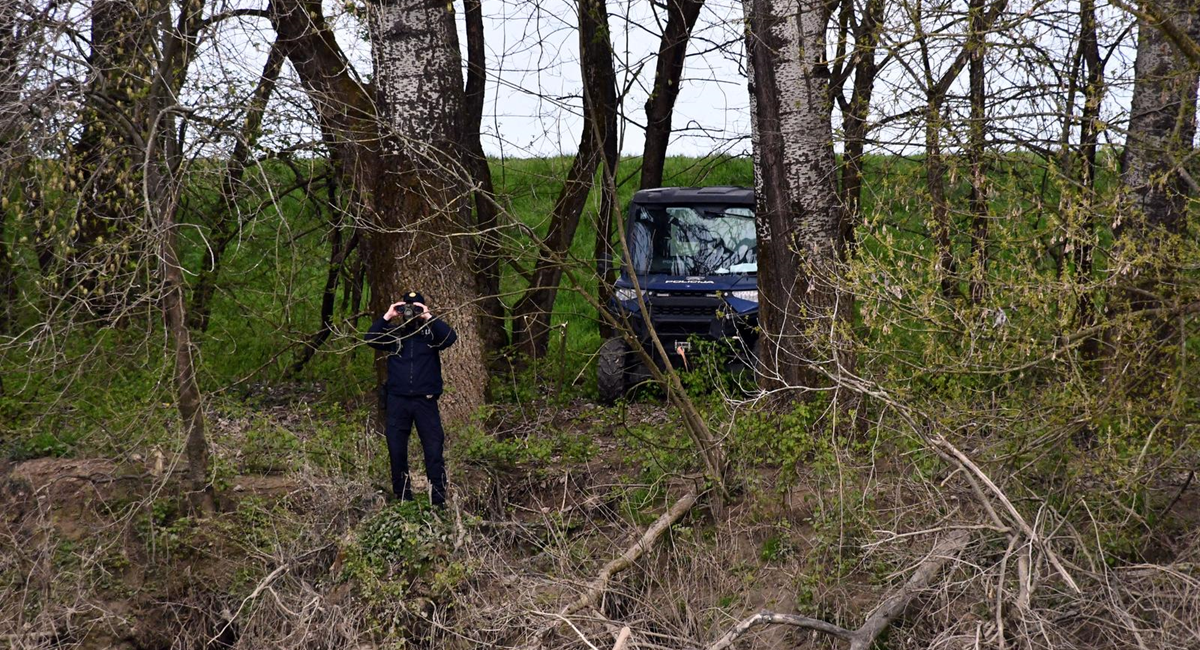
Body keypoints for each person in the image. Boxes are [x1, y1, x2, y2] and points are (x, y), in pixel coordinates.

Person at [364, 291, 457, 506]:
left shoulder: (431, 335)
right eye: (407, 307)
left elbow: (450, 338)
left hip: (425, 401)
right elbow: (370, 339)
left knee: (433, 449)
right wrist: (388, 316)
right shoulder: (395, 334)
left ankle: (438, 500)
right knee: (397, 450)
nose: (410, 312)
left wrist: (428, 317)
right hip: (398, 400)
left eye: (414, 308)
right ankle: (403, 497)